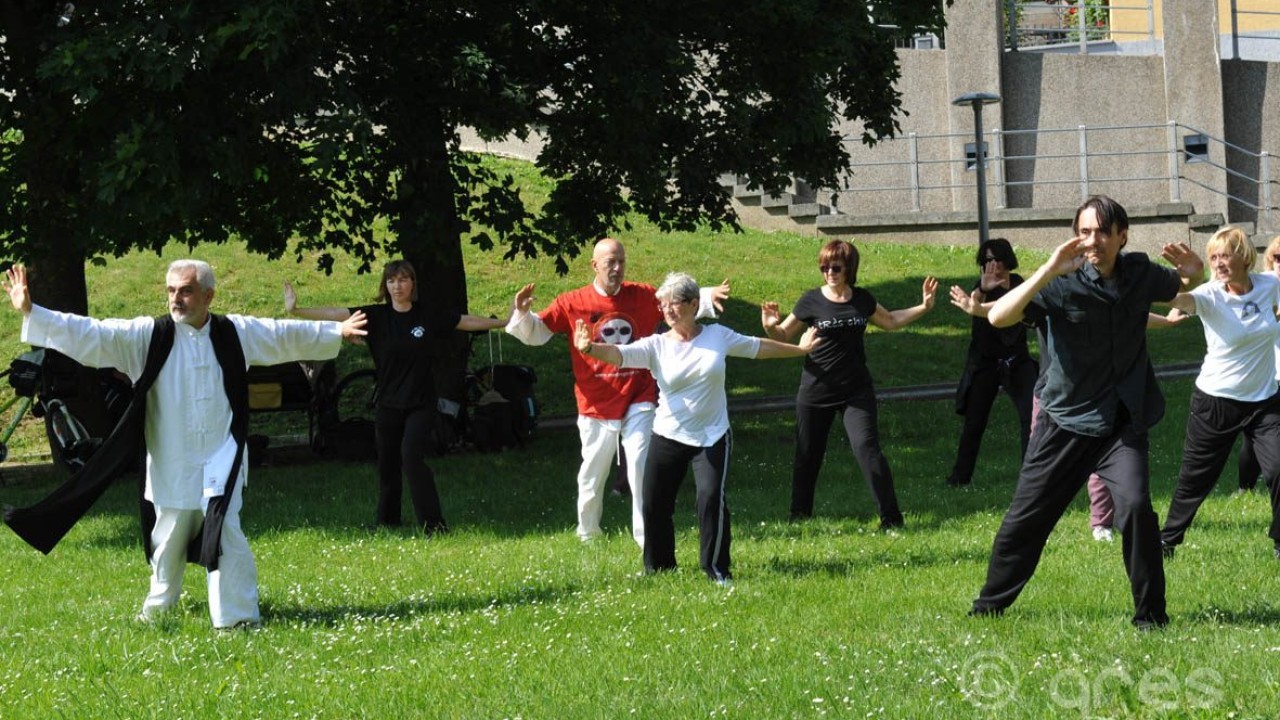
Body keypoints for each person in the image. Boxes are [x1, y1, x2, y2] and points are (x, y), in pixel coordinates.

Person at [3, 260, 368, 629]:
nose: (176, 298)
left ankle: (235, 619)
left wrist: (335, 331)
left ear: (208, 295)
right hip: (171, 459)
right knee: (170, 538)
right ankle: (159, 611)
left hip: (222, 456)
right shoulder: (148, 336)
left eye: (186, 290)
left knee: (226, 532)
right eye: (171, 290)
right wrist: (34, 313)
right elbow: (93, 334)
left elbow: (281, 335)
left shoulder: (234, 333)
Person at [970, 195, 1203, 629]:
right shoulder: (1060, 283)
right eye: (1083, 231)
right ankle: (988, 607)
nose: (1091, 240)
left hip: (1121, 422)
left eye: (1100, 231)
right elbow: (999, 317)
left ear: (1121, 236)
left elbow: (1184, 282)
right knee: (1026, 518)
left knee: (1135, 507)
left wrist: (1194, 271)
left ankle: (1151, 618)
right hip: (1064, 422)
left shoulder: (1138, 273)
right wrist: (1047, 270)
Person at [573, 272, 819, 582]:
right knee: (653, 503)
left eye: (674, 304)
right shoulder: (656, 345)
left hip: (712, 436)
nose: (668, 311)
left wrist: (800, 350)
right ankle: (659, 568)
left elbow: (759, 348)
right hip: (668, 435)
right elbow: (620, 355)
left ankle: (716, 569)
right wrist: (590, 348)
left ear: (693, 304)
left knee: (710, 498)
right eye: (663, 306)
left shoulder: (717, 336)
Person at [506, 238, 729, 546]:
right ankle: (588, 533)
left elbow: (676, 301)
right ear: (594, 265)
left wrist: (706, 296)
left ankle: (645, 536)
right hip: (595, 401)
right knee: (593, 472)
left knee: (640, 465)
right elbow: (537, 332)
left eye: (621, 261)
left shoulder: (643, 295)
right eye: (610, 262)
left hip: (639, 396)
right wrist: (522, 314)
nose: (617, 268)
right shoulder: (572, 302)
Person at [284, 260, 509, 535]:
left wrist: (505, 322)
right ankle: (387, 521)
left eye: (403, 280)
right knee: (387, 463)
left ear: (413, 284)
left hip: (421, 403)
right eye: (391, 281)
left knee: (411, 457)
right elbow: (335, 313)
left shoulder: (427, 315)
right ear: (385, 286)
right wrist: (297, 310)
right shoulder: (375, 317)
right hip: (388, 404)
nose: (397, 286)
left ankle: (434, 526)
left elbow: (465, 321)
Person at [761, 239, 938, 529]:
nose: (829, 272)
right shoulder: (810, 300)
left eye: (835, 266)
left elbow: (891, 321)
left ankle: (891, 520)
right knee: (808, 454)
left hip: (856, 390)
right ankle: (799, 518)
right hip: (816, 390)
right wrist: (770, 325)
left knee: (867, 449)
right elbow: (783, 336)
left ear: (849, 268)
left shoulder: (861, 299)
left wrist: (924, 307)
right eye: (824, 267)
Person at [1158, 226, 1280, 559]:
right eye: (1213, 257)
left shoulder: (1270, 285)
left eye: (1224, 255)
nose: (1219, 262)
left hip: (1265, 401)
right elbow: (1178, 300)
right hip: (1216, 402)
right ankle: (1167, 540)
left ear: (1243, 256)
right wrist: (1186, 278)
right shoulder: (1210, 295)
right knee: (1196, 478)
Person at [944, 238, 1036, 488]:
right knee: (975, 421)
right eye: (987, 260)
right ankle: (959, 479)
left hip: (1017, 361)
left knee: (1032, 415)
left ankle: (1031, 477)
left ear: (1008, 260)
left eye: (997, 258)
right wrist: (982, 290)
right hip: (986, 363)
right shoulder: (981, 286)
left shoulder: (1018, 284)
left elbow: (1020, 307)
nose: (993, 264)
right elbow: (974, 305)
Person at [1235, 234, 1280, 493]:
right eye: (1278, 257)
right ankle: (1246, 486)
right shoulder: (1261, 288)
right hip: (1269, 375)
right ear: (1269, 260)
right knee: (1254, 439)